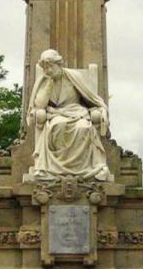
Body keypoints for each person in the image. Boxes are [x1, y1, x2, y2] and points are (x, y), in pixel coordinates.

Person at [26, 49, 113, 182]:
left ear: (59, 64)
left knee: (84, 128)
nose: (48, 70)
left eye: (51, 66)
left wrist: (101, 109)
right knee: (58, 125)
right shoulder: (44, 81)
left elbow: (91, 98)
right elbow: (40, 105)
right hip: (56, 114)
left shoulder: (74, 77)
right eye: (46, 68)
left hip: (77, 112)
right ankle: (56, 169)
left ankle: (84, 168)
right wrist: (49, 84)